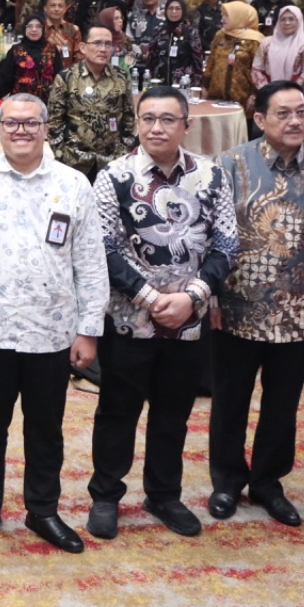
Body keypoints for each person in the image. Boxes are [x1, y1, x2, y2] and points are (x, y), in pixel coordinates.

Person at [0, 94, 108, 553]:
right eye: (11, 124)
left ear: (46, 128)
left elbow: (91, 263)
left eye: (30, 124)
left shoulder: (74, 185)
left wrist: (88, 329)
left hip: (51, 332)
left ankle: (43, 510)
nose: (20, 131)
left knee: (46, 429)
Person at [88, 86, 238, 540]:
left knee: (174, 412)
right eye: (148, 118)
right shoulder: (112, 176)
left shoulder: (211, 177)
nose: (157, 127)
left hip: (189, 322)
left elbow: (227, 243)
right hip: (128, 319)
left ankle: (164, 494)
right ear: (135, 122)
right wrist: (152, 300)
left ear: (186, 126)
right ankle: (106, 495)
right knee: (118, 410)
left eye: (168, 119)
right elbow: (103, 247)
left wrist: (192, 297)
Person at [210, 81, 304, 527]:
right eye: (283, 113)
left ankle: (269, 482)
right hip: (236, 308)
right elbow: (209, 237)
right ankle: (227, 480)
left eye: (302, 113)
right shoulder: (229, 166)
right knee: (230, 400)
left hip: (298, 312)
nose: (295, 121)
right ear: (260, 118)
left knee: (282, 404)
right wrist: (209, 294)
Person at [47, 23, 137, 185]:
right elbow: (54, 121)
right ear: (83, 47)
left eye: (108, 44)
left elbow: (129, 119)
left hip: (112, 161)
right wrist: (61, 154)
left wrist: (125, 151)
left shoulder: (121, 77)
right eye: (97, 43)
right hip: (74, 161)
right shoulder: (67, 78)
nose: (103, 49)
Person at [203, 2, 265, 110]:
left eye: (227, 15)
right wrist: (204, 86)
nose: (223, 19)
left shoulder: (255, 40)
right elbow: (211, 63)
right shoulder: (220, 35)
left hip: (243, 98)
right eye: (222, 15)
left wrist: (255, 94)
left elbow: (260, 70)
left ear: (239, 16)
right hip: (215, 97)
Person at [0, 15, 61, 102]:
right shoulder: (16, 50)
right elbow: (6, 77)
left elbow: (59, 77)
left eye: (38, 26)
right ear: (24, 29)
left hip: (46, 102)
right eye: (30, 26)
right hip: (21, 102)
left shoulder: (52, 49)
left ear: (43, 29)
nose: (34, 29)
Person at [252, 5, 304, 89]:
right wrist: (266, 89)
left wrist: (289, 91)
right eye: (283, 19)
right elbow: (256, 68)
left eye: (291, 19)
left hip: (296, 92)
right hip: (268, 92)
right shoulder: (267, 42)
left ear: (299, 21)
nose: (287, 23)